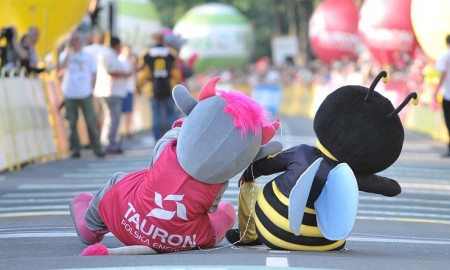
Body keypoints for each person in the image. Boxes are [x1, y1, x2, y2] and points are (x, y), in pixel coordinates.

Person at [68, 77, 282, 256]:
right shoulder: (218, 184)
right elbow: (211, 208)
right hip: (181, 239)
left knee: (119, 181)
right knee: (223, 212)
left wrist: (182, 127)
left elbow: (153, 164)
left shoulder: (169, 147)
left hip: (128, 222)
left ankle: (91, 227)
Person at [226, 71, 417, 251]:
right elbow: (392, 188)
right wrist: (365, 174)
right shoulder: (349, 174)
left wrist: (248, 175)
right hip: (325, 241)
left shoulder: (301, 152)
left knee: (249, 188)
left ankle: (248, 235)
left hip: (273, 228)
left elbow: (266, 165)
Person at [57, 32, 104, 159]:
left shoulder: (88, 56)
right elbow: (63, 66)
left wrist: (92, 88)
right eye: (72, 40)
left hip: (85, 92)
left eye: (76, 40)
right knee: (72, 122)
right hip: (70, 93)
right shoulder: (65, 55)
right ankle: (75, 149)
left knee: (91, 121)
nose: (75, 43)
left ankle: (97, 147)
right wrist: (68, 49)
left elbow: (94, 73)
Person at [138, 32, 182, 142]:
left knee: (156, 114)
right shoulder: (171, 53)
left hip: (152, 88)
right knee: (170, 113)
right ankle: (171, 138)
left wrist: (139, 87)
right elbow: (176, 72)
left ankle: (157, 139)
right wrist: (176, 83)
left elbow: (143, 73)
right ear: (163, 41)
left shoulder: (146, 54)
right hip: (169, 86)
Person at [94, 36, 131, 154]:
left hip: (113, 91)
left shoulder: (111, 55)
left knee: (111, 118)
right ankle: (109, 143)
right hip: (110, 91)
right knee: (113, 118)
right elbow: (111, 72)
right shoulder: (108, 55)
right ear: (117, 45)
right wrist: (124, 74)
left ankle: (109, 142)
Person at [434, 34, 450, 157]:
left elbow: (442, 75)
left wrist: (436, 91)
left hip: (448, 95)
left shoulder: (445, 56)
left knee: (448, 122)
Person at [119, 44, 137, 139]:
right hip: (123, 89)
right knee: (124, 111)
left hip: (129, 89)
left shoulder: (128, 60)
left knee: (128, 111)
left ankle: (128, 130)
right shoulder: (122, 60)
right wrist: (133, 65)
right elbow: (128, 73)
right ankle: (124, 130)